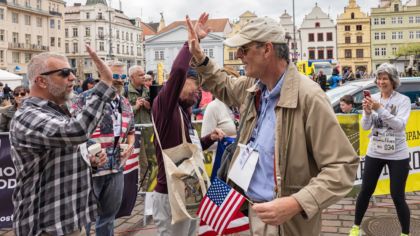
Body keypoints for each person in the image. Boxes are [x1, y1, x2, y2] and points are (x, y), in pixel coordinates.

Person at [187, 14, 359, 235]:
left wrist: (296, 203)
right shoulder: (255, 87)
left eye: (244, 49)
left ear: (267, 50)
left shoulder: (309, 97)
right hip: (246, 209)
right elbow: (225, 86)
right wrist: (199, 57)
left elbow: (343, 166)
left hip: (284, 223)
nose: (239, 55)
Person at [9, 47, 112, 236]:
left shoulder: (57, 110)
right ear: (41, 80)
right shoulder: (27, 115)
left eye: (71, 71)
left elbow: (62, 155)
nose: (72, 77)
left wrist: (90, 162)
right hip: (46, 228)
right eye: (64, 73)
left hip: (71, 222)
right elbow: (76, 131)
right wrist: (105, 83)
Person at [151, 15, 226, 235]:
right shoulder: (165, 107)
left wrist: (208, 138)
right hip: (170, 194)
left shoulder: (183, 112)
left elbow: (188, 151)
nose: (198, 91)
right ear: (179, 84)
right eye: (195, 85)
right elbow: (177, 73)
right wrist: (190, 44)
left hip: (190, 189)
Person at [72, 60, 135, 236]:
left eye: (123, 77)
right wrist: (90, 153)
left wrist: (129, 145)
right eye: (115, 76)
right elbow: (74, 132)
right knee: (84, 219)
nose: (120, 80)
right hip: (89, 170)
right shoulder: (84, 98)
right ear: (102, 75)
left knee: (108, 217)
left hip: (116, 168)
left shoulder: (125, 102)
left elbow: (131, 130)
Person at [349, 63, 412, 236]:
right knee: (365, 191)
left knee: (397, 195)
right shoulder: (373, 98)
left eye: (385, 78)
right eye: (379, 78)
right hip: (375, 151)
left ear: (393, 81)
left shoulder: (403, 100)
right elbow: (365, 127)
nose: (381, 82)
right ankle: (355, 227)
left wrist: (379, 109)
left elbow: (399, 125)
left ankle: (405, 233)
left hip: (398, 154)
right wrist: (368, 112)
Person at [126, 65, 152, 191]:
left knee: (152, 159)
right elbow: (122, 113)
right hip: (135, 131)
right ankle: (144, 188)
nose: (143, 77)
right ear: (132, 77)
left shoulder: (148, 90)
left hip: (149, 129)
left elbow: (155, 109)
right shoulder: (125, 91)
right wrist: (135, 107)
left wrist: (148, 106)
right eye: (140, 75)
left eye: (144, 74)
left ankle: (149, 187)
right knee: (143, 161)